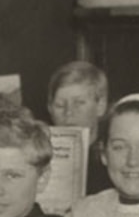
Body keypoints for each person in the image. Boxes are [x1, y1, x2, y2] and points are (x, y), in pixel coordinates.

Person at [47, 61, 109, 198]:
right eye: (60, 105)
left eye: (79, 103)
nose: (69, 112)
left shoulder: (112, 161)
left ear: (100, 106)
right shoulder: (39, 158)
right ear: (50, 109)